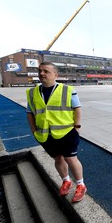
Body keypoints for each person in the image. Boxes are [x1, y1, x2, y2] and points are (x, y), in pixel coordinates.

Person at [26, 61, 87, 203]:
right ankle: (66, 181)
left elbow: (77, 108)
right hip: (45, 134)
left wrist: (77, 128)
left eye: (46, 71)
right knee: (58, 159)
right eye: (40, 71)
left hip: (67, 132)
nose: (41, 73)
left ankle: (81, 185)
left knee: (71, 159)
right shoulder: (32, 92)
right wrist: (34, 131)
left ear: (55, 74)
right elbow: (30, 113)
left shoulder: (68, 89)